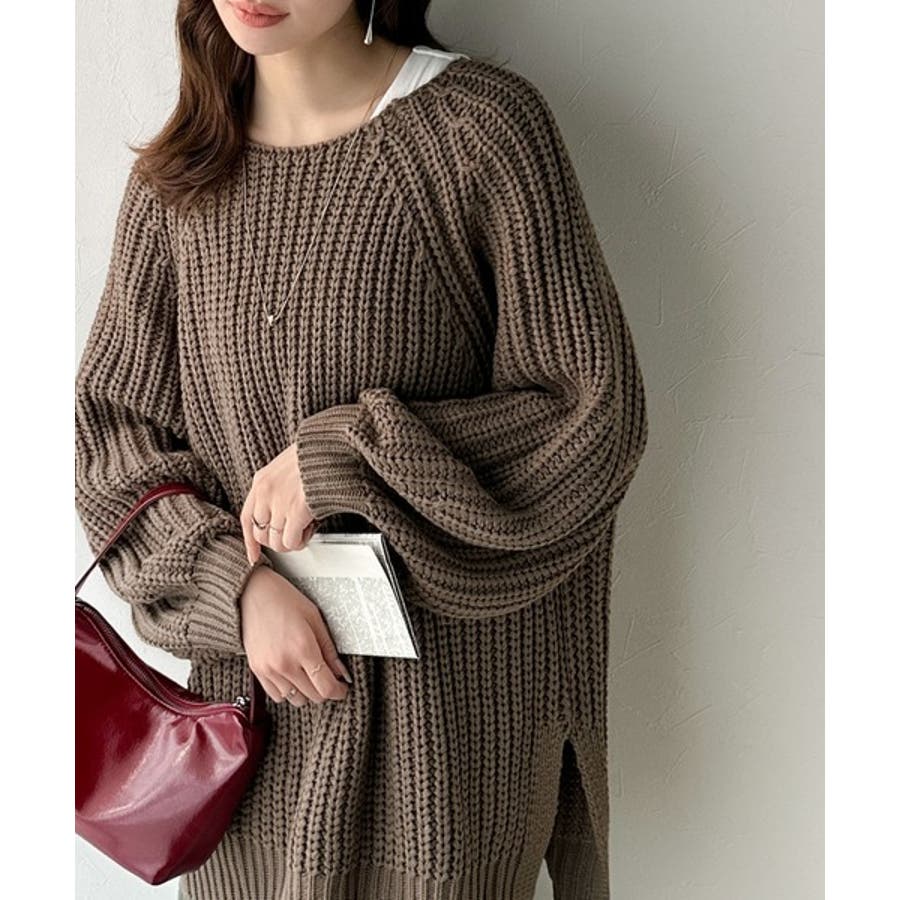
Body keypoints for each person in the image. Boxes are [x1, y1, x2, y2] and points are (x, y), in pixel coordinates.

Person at [74, 1, 650, 898]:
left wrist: (347, 457)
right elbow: (113, 448)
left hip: (449, 759)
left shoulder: (478, 131)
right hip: (253, 755)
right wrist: (238, 589)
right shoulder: (179, 182)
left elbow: (590, 416)